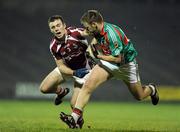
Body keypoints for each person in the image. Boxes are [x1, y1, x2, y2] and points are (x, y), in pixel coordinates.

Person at [59, 10, 159, 129]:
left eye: (87, 27)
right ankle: (74, 118)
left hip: (126, 65)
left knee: (139, 95)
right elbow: (96, 38)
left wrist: (98, 56)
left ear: (94, 24)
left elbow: (117, 59)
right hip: (108, 63)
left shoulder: (112, 34)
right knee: (88, 85)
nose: (86, 30)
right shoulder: (97, 29)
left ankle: (152, 89)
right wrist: (90, 48)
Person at [39, 15, 94, 126]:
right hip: (68, 69)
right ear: (51, 30)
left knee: (74, 104)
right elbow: (60, 66)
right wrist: (73, 73)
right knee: (44, 88)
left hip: (84, 70)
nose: (56, 29)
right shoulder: (53, 46)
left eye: (58, 25)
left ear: (64, 25)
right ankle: (61, 92)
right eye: (53, 27)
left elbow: (92, 33)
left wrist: (92, 45)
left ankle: (78, 122)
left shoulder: (75, 32)